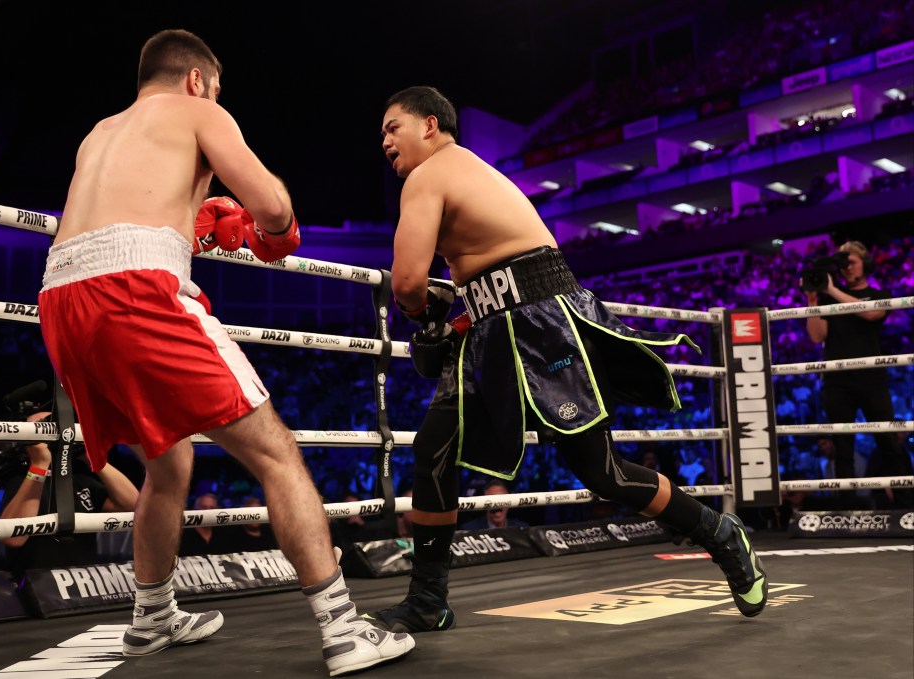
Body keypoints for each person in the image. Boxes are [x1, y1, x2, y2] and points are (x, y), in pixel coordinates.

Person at [36, 29, 412, 674]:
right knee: (277, 453)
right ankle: (344, 628)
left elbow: (135, 216)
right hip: (133, 288)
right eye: (215, 88)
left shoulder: (100, 131)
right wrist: (272, 229)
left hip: (60, 298)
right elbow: (271, 206)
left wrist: (192, 221)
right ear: (196, 80)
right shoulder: (200, 110)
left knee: (169, 462)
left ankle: (151, 614)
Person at [365, 86, 768, 634]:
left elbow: (408, 282)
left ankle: (721, 531)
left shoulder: (429, 174)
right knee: (434, 447)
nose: (384, 139)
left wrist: (422, 311)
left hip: (540, 320)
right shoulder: (462, 172)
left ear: (430, 125)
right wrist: (452, 315)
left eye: (393, 126)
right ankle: (427, 599)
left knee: (600, 471)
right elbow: (484, 275)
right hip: (500, 323)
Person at [804, 240, 913, 508]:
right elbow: (817, 337)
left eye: (851, 261)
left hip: (871, 378)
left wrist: (831, 289)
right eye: (842, 263)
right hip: (837, 381)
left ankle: (906, 505)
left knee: (888, 441)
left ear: (865, 263)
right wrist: (813, 298)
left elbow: (873, 313)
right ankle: (847, 510)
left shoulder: (878, 294)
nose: (847, 268)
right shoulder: (829, 297)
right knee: (842, 447)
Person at [0, 411, 139, 575]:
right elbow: (13, 539)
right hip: (36, 591)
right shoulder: (22, 481)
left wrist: (92, 457)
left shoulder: (80, 482)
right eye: (44, 428)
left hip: (83, 589)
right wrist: (40, 464)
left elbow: (134, 505)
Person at [460, 480, 529, 530]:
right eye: (493, 500)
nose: (497, 504)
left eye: (502, 499)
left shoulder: (521, 529)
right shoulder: (470, 530)